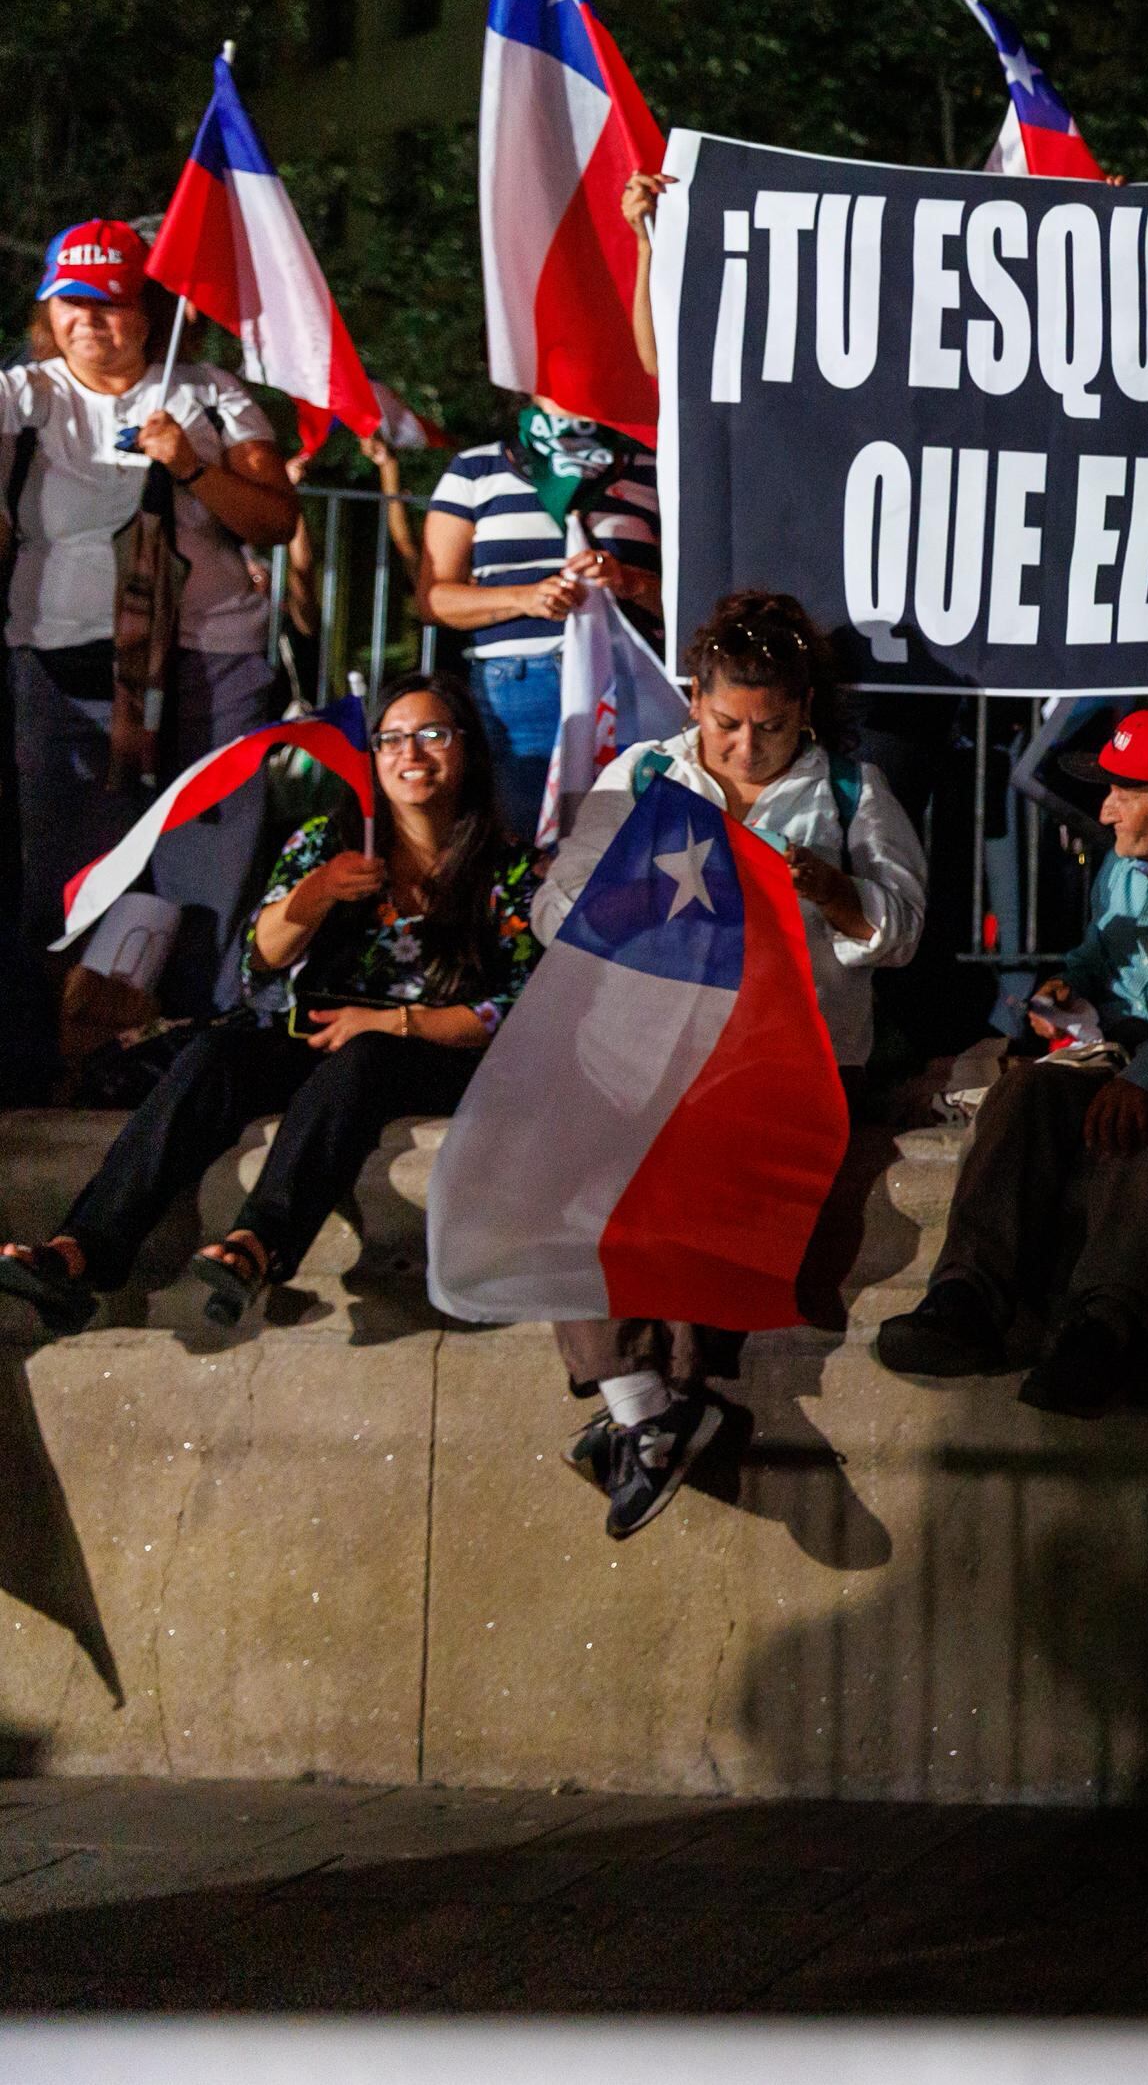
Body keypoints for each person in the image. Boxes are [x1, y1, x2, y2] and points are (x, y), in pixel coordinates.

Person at [539, 589, 926, 1537]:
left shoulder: (851, 793)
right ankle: (659, 1411)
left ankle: (649, 1416)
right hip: (643, 1053)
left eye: (773, 727)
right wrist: (628, 893)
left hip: (789, 1062)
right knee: (563, 1182)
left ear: (804, 712)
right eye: (727, 725)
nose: (748, 748)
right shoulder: (642, 778)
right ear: (693, 703)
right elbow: (554, 913)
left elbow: (904, 930)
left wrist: (837, 895)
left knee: (679, 1172)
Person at [0, 675, 536, 1335]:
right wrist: (317, 893)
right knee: (216, 1053)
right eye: (392, 739)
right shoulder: (327, 842)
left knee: (363, 1057)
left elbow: (514, 1010)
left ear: (467, 752)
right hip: (322, 1037)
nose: (412, 755)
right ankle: (80, 1251)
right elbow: (264, 957)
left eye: (433, 735)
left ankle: (257, 1244)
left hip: (432, 1051)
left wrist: (395, 1021)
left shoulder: (513, 870)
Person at [872, 705, 1148, 1418]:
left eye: (1123, 793)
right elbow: (1097, 955)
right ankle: (966, 1299)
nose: (1106, 808)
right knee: (1022, 1095)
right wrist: (1069, 983)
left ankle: (1105, 1330)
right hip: (1122, 1049)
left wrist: (1144, 1079)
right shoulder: (1122, 871)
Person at [2, 226, 303, 988]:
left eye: (109, 303)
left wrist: (194, 466)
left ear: (151, 313)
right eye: (71, 302)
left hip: (207, 661)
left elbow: (275, 521)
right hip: (65, 670)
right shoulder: (24, 395)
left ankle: (192, 1035)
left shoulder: (209, 392)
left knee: (204, 863)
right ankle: (64, 1057)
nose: (89, 321)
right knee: (70, 869)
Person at [420, 396, 663, 835]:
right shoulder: (478, 469)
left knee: (629, 848)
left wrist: (631, 581)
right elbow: (434, 599)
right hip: (519, 693)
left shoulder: (651, 467)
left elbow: (695, 599)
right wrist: (525, 599)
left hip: (630, 691)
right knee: (527, 849)